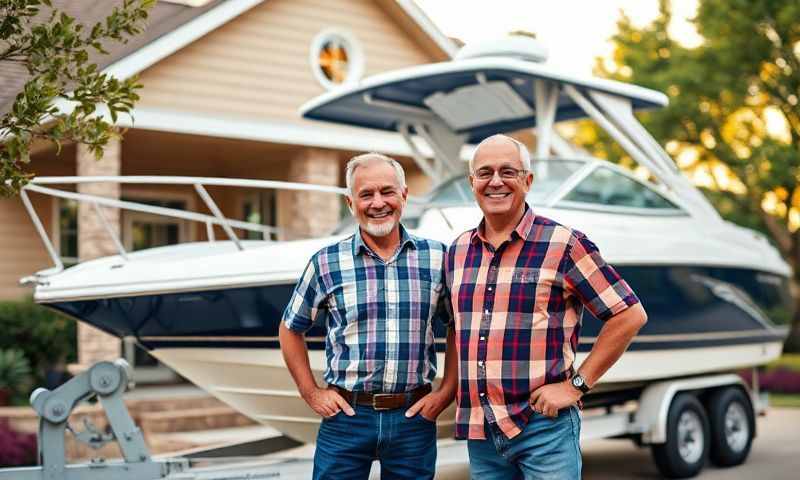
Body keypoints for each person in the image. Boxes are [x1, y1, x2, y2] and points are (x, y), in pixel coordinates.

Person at [446, 135, 648, 479]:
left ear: (528, 180)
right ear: (472, 183)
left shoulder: (564, 244)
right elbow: (456, 330)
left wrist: (576, 385)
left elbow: (629, 314)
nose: (495, 181)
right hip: (481, 432)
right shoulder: (458, 251)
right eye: (485, 173)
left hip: (544, 428)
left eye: (507, 171)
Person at [279, 152, 457, 480]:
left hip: (413, 419)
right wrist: (311, 393)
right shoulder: (326, 262)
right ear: (351, 203)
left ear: (404, 195)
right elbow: (290, 328)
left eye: (387, 192)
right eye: (366, 194)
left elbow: (458, 326)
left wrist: (447, 392)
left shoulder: (437, 258)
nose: (378, 203)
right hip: (346, 418)